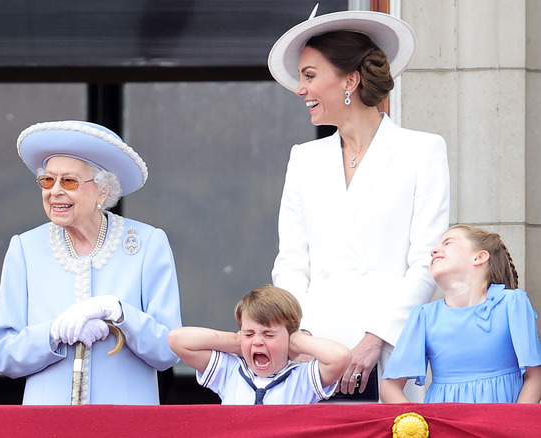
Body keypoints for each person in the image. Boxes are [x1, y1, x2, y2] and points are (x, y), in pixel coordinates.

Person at [266, 9, 450, 400]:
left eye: (310, 76)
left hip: (390, 353)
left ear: (350, 80)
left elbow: (427, 263)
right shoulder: (303, 157)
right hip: (316, 356)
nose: (300, 89)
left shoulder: (422, 150)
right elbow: (292, 262)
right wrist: (305, 338)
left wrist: (376, 339)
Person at [0, 120, 182, 405]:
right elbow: (4, 355)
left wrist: (119, 313)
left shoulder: (147, 243)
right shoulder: (25, 248)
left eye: (69, 181)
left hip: (125, 423)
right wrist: (52, 333)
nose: (54, 191)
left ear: (102, 190)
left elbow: (168, 352)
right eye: (47, 180)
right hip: (47, 424)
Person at [381, 225, 541, 403]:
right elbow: (390, 386)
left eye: (447, 243)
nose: (434, 251)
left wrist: (512, 425)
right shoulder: (424, 316)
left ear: (479, 257)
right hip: (444, 425)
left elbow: (535, 376)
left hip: (500, 424)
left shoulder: (511, 303)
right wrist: (418, 426)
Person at [168, 284, 350, 404]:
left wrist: (296, 340)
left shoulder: (301, 379)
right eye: (249, 333)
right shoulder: (230, 371)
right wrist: (234, 341)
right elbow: (177, 340)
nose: (257, 341)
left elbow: (340, 357)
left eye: (269, 335)